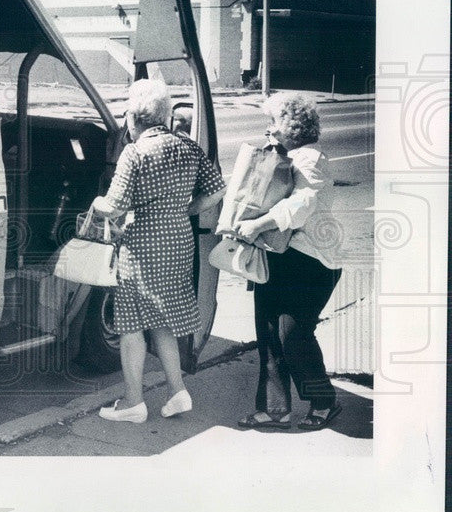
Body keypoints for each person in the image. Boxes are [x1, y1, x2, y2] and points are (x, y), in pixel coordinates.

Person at [94, 79, 226, 423]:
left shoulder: (135, 153)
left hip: (143, 246)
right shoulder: (188, 146)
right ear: (166, 116)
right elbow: (216, 190)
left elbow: (114, 205)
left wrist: (97, 203)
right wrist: (187, 209)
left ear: (133, 119)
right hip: (179, 240)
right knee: (162, 320)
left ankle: (134, 403)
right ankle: (178, 392)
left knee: (131, 324)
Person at [235, 92, 343, 431]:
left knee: (293, 336)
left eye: (274, 123)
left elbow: (303, 203)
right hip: (281, 258)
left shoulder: (310, 159)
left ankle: (324, 401)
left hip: (312, 260)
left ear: (293, 127)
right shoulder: (282, 156)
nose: (269, 130)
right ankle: (275, 410)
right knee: (269, 334)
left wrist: (258, 224)